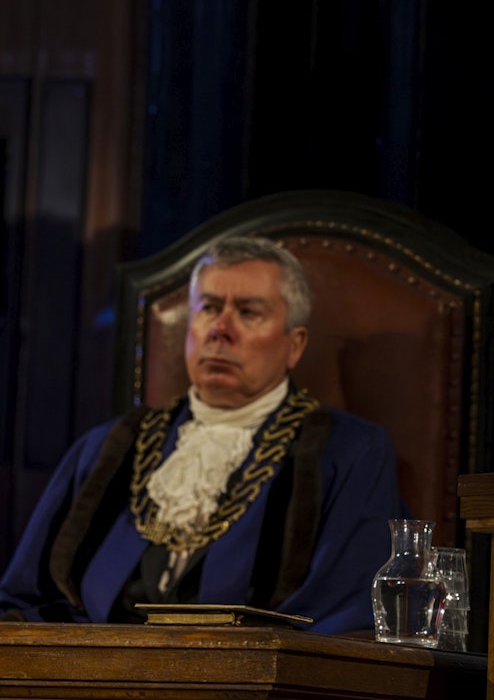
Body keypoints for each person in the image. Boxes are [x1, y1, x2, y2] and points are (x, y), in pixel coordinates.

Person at [0, 236, 407, 633]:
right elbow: (24, 602)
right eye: (209, 308)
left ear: (294, 345)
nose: (221, 329)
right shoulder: (107, 448)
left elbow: (344, 614)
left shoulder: (348, 453)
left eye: (248, 312)